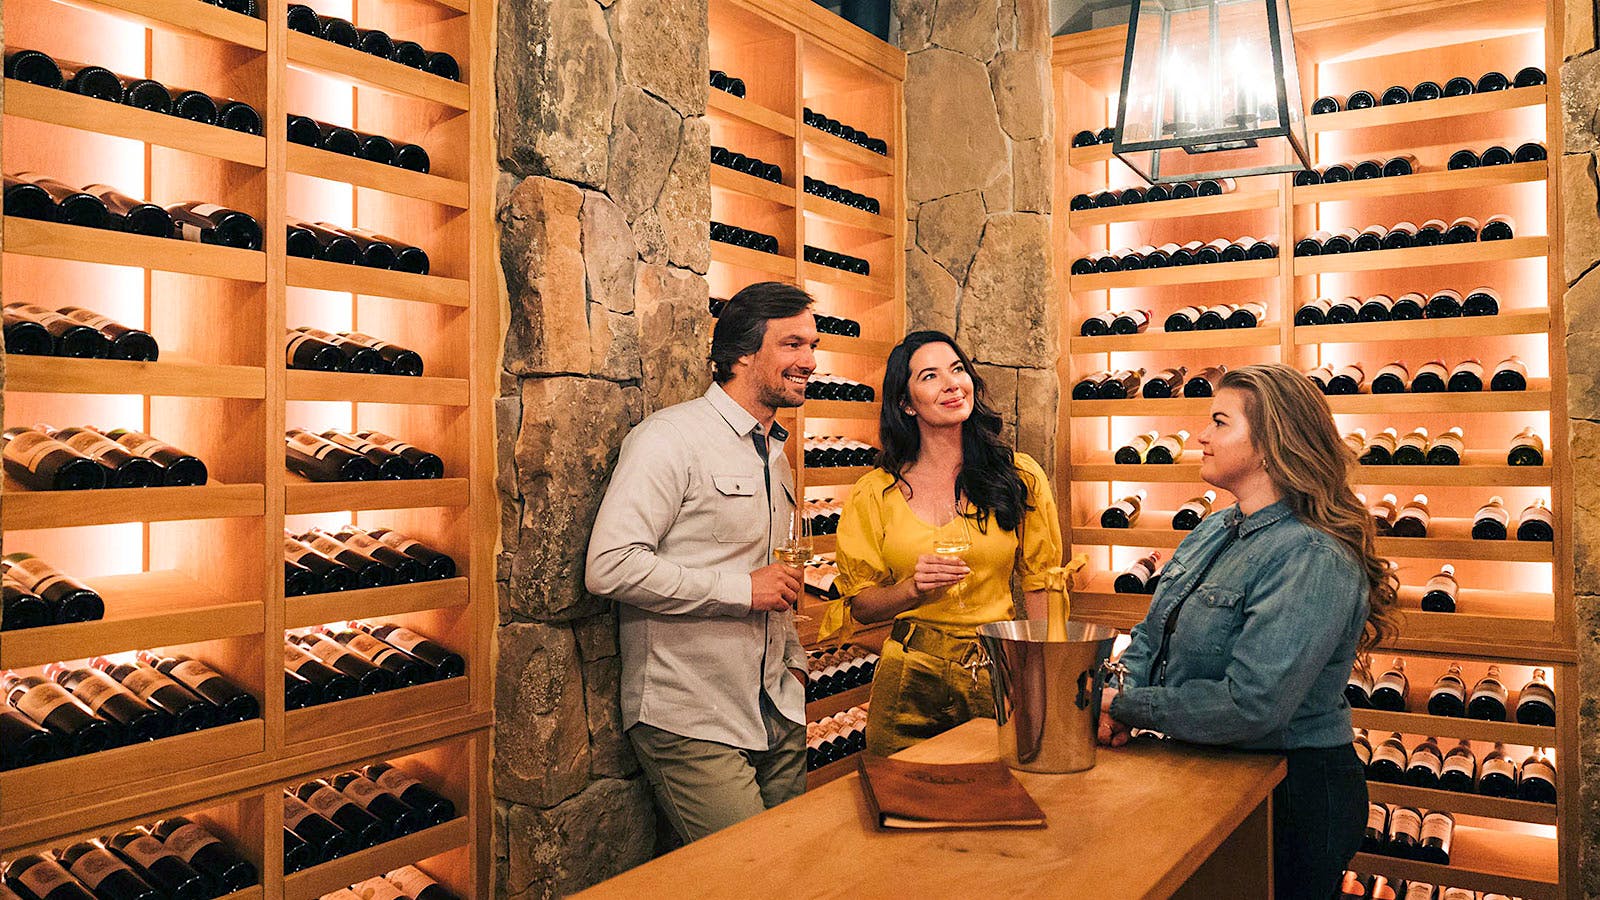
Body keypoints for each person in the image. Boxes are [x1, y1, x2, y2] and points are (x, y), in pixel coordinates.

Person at [1096, 363, 1399, 898]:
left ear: (1268, 444)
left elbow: (1253, 703)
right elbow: (1151, 634)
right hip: (1209, 770)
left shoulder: (1311, 555)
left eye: (1219, 422)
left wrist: (1124, 706)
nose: (1200, 436)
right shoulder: (1215, 527)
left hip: (1291, 793)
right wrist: (1118, 692)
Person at [585, 281, 818, 842]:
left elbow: (775, 578)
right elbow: (609, 565)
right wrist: (742, 590)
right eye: (792, 345)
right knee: (749, 879)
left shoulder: (775, 453)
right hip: (691, 715)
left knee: (795, 873)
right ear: (741, 353)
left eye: (813, 345)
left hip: (775, 710)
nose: (809, 361)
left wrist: (795, 665)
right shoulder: (670, 437)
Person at [820, 330, 1063, 757]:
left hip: (994, 671)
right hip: (908, 678)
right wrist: (911, 589)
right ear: (906, 403)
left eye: (957, 370)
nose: (952, 384)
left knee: (993, 809)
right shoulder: (873, 493)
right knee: (899, 807)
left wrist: (1041, 678)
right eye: (930, 376)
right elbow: (861, 605)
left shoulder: (1019, 476)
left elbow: (1042, 584)